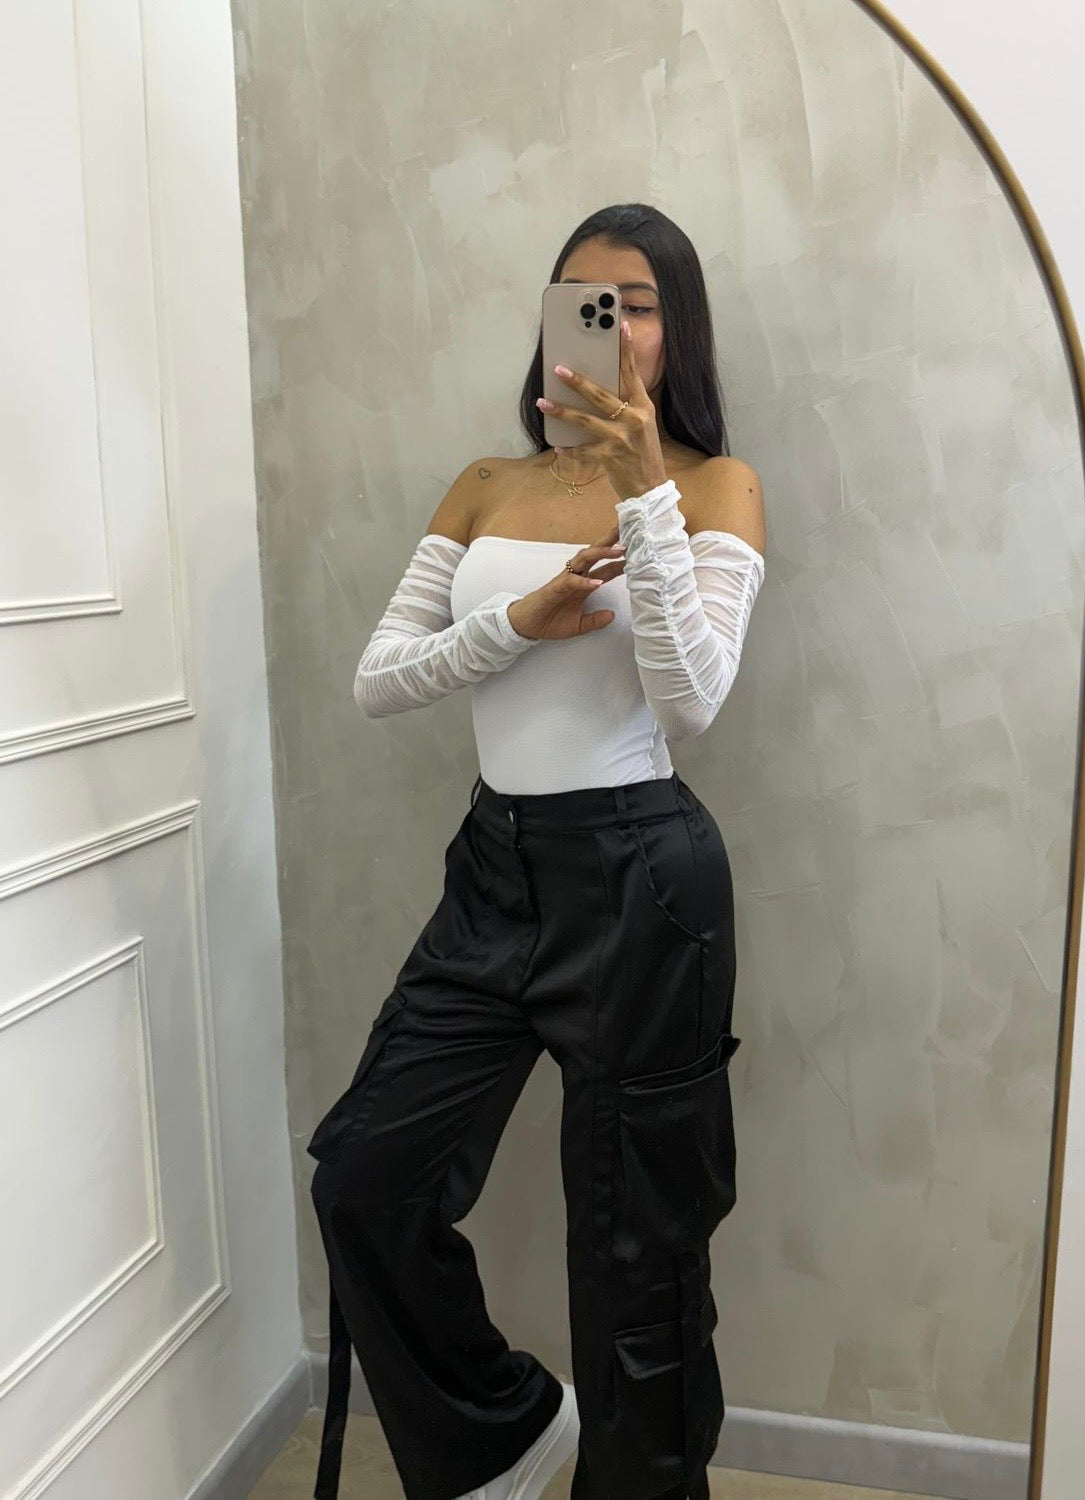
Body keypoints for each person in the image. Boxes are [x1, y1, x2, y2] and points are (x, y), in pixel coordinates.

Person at [306, 203, 767, 1500]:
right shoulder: (486, 483)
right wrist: (516, 620)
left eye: (640, 302)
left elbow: (692, 701)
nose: (612, 322)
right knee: (365, 1182)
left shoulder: (717, 486)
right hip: (494, 875)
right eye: (584, 298)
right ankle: (505, 1437)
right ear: (555, 319)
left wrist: (644, 490)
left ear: (679, 328)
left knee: (639, 1258)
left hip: (641, 884)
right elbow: (380, 679)